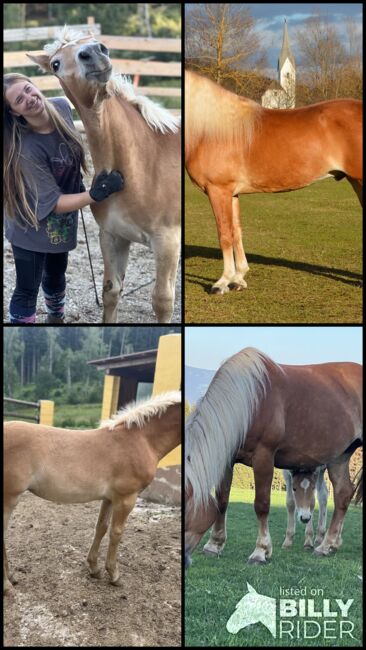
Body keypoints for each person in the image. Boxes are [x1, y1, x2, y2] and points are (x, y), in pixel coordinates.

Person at [4, 73, 124, 324]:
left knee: (57, 275)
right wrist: (95, 194)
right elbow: (54, 203)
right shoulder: (28, 149)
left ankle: (55, 319)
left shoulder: (61, 106)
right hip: (31, 224)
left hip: (62, 223)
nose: (29, 98)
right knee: (27, 288)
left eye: (28, 89)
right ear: (14, 112)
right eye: (18, 99)